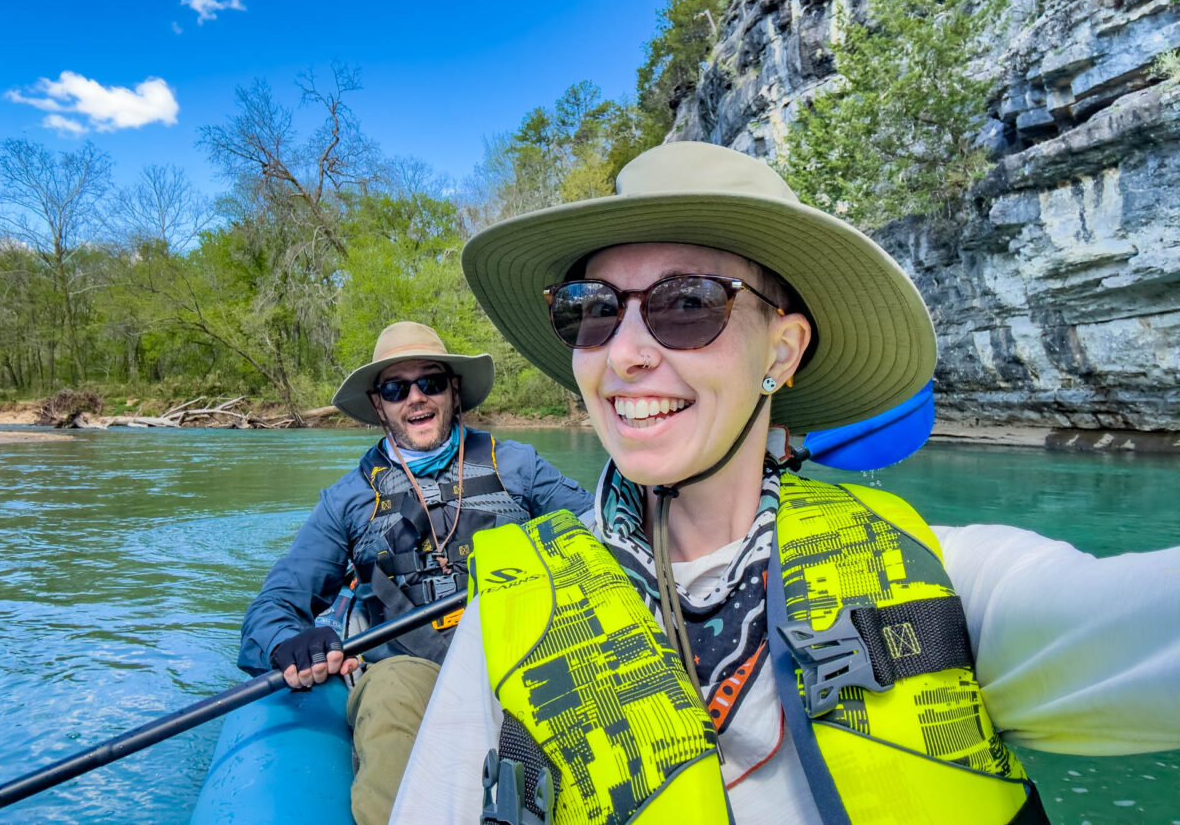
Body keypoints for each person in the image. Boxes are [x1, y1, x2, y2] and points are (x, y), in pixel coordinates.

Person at [390, 142, 1180, 824]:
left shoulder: (949, 584)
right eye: (591, 310)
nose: (624, 352)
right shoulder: (509, 614)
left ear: (781, 352)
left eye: (687, 303)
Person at [238, 320, 594, 825]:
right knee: (389, 691)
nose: (416, 398)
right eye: (395, 388)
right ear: (378, 404)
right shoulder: (348, 498)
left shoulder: (519, 465)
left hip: (523, 653)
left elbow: (602, 531)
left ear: (452, 390)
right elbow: (273, 607)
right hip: (410, 671)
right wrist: (286, 642)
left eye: (429, 382)